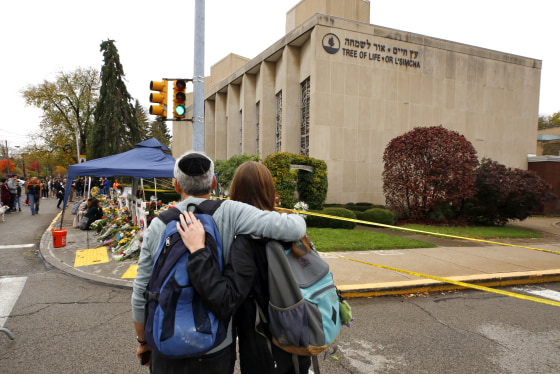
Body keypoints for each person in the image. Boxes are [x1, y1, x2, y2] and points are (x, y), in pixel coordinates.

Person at [131, 151, 307, 373]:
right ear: (213, 183)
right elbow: (295, 228)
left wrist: (142, 341)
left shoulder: (158, 224)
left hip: (165, 345)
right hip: (216, 346)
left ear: (176, 185)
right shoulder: (231, 213)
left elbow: (140, 293)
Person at [178, 161, 311, 374]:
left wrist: (198, 251)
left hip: (264, 346)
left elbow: (227, 298)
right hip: (300, 333)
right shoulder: (291, 230)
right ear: (270, 190)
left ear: (235, 192)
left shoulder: (245, 241)